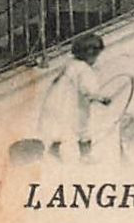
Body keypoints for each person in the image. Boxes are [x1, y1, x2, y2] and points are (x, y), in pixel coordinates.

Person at [39, 32, 112, 160]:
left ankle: (54, 150)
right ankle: (86, 155)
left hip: (55, 100)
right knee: (83, 127)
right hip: (72, 103)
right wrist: (101, 98)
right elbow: (87, 90)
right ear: (91, 55)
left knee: (58, 127)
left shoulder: (70, 63)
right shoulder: (84, 70)